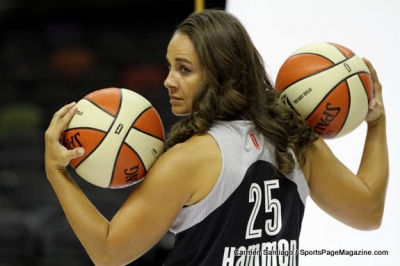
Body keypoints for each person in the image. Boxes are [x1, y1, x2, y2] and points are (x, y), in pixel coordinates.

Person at [44, 9, 388, 266]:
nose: (168, 80)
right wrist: (376, 123)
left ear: (221, 72)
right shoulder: (296, 141)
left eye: (184, 69)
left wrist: (57, 174)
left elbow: (109, 252)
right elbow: (368, 213)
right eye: (169, 67)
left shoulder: (187, 159)